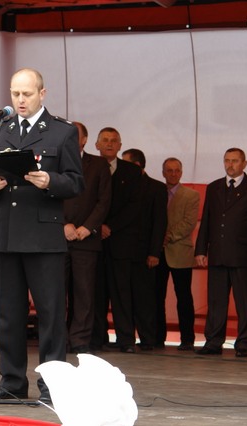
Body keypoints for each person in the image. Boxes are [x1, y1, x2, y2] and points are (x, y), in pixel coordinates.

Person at [0, 68, 84, 403]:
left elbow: (75, 182)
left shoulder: (62, 131)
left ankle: (53, 385)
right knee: (9, 313)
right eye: (15, 93)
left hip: (42, 235)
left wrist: (50, 181)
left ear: (42, 93)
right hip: (6, 233)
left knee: (50, 314)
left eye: (27, 94)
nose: (20, 100)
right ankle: (11, 382)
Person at [195, 147, 247, 357]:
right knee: (216, 301)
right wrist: (201, 249)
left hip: (243, 255)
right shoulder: (214, 187)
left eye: (235, 161)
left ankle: (244, 343)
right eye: (227, 160)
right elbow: (207, 220)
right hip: (218, 253)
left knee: (244, 302)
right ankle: (213, 342)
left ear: (244, 163)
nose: (230, 164)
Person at [91, 128, 142, 352]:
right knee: (95, 293)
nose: (109, 144)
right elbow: (83, 201)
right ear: (96, 145)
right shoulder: (88, 167)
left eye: (114, 141)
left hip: (121, 242)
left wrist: (110, 226)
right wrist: (97, 226)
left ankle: (125, 339)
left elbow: (135, 206)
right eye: (105, 140)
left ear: (120, 146)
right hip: (93, 240)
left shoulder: (132, 171)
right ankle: (96, 338)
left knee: (122, 294)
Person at [63, 121, 111, 354]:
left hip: (86, 240)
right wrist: (63, 224)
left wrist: (88, 227)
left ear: (84, 140)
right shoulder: (54, 162)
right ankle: (58, 339)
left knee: (84, 293)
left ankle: (80, 339)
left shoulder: (99, 165)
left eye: (75, 135)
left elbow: (104, 200)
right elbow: (47, 196)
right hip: (58, 238)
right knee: (55, 293)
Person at [119, 148, 167, 350]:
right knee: (123, 298)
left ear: (137, 165)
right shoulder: (120, 184)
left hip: (144, 253)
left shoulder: (156, 187)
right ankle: (125, 339)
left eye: (125, 164)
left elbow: (160, 222)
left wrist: (154, 252)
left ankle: (148, 339)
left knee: (144, 298)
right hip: (121, 252)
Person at [155, 157, 199, 351]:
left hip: (180, 252)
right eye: (169, 170)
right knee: (156, 297)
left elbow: (189, 222)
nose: (173, 174)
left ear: (181, 172)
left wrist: (167, 236)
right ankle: (157, 338)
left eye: (176, 170)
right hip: (157, 253)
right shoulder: (156, 193)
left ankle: (187, 339)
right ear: (163, 173)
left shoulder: (191, 195)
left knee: (184, 298)